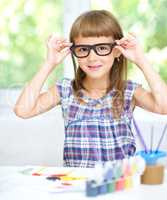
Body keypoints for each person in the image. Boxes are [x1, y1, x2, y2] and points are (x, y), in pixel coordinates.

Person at [14, 10, 167, 168]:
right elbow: (23, 110)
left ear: (116, 50)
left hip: (119, 184)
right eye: (83, 49)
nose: (92, 58)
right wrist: (49, 63)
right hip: (77, 187)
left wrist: (141, 60)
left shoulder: (128, 91)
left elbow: (164, 106)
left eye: (101, 48)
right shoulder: (65, 90)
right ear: (74, 52)